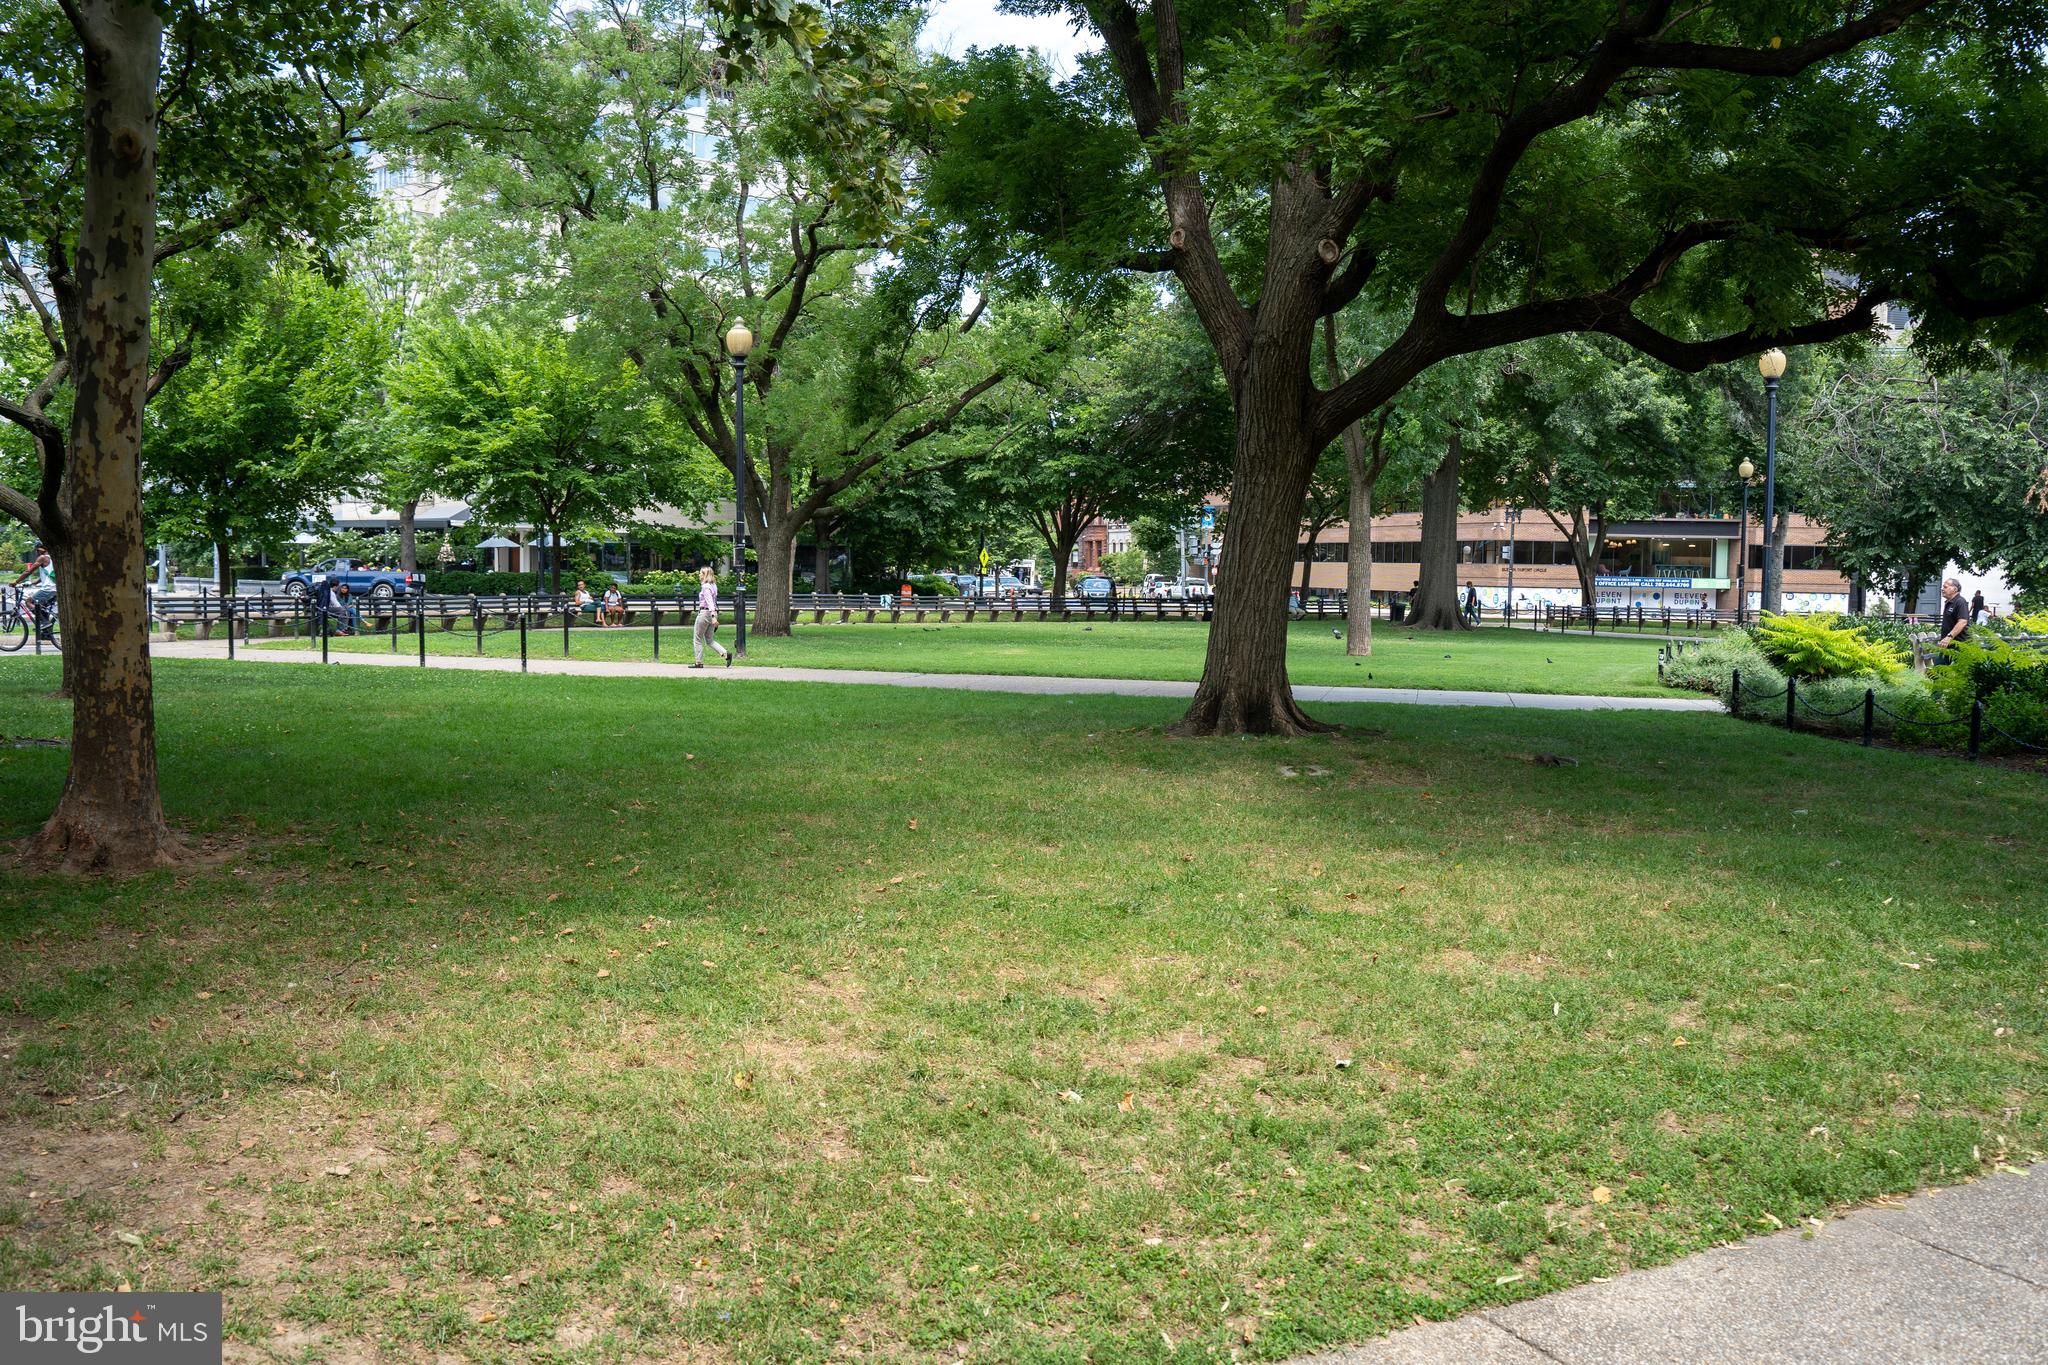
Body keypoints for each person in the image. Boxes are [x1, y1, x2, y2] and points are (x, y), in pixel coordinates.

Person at [12, 544, 57, 635]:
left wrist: (16, 582)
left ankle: (45, 622)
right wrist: (34, 582)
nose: (36, 552)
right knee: (41, 608)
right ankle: (46, 634)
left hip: (48, 589)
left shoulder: (42, 557)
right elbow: (48, 574)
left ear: (41, 550)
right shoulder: (51, 558)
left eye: (37, 550)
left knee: (29, 602)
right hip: (54, 589)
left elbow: (29, 571)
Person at [691, 565, 732, 667]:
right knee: (709, 640)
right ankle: (726, 654)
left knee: (697, 638)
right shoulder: (713, 585)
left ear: (705, 575)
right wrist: (713, 616)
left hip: (705, 613)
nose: (699, 574)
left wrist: (713, 617)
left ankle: (698, 662)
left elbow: (709, 602)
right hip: (712, 614)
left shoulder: (705, 587)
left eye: (701, 573)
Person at [1934, 577, 1971, 656]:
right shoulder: (1949, 602)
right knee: (1939, 664)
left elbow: (1963, 622)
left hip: (1958, 646)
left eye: (1945, 587)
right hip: (1946, 645)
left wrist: (1949, 637)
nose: (1942, 589)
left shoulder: (1960, 601)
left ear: (1954, 589)